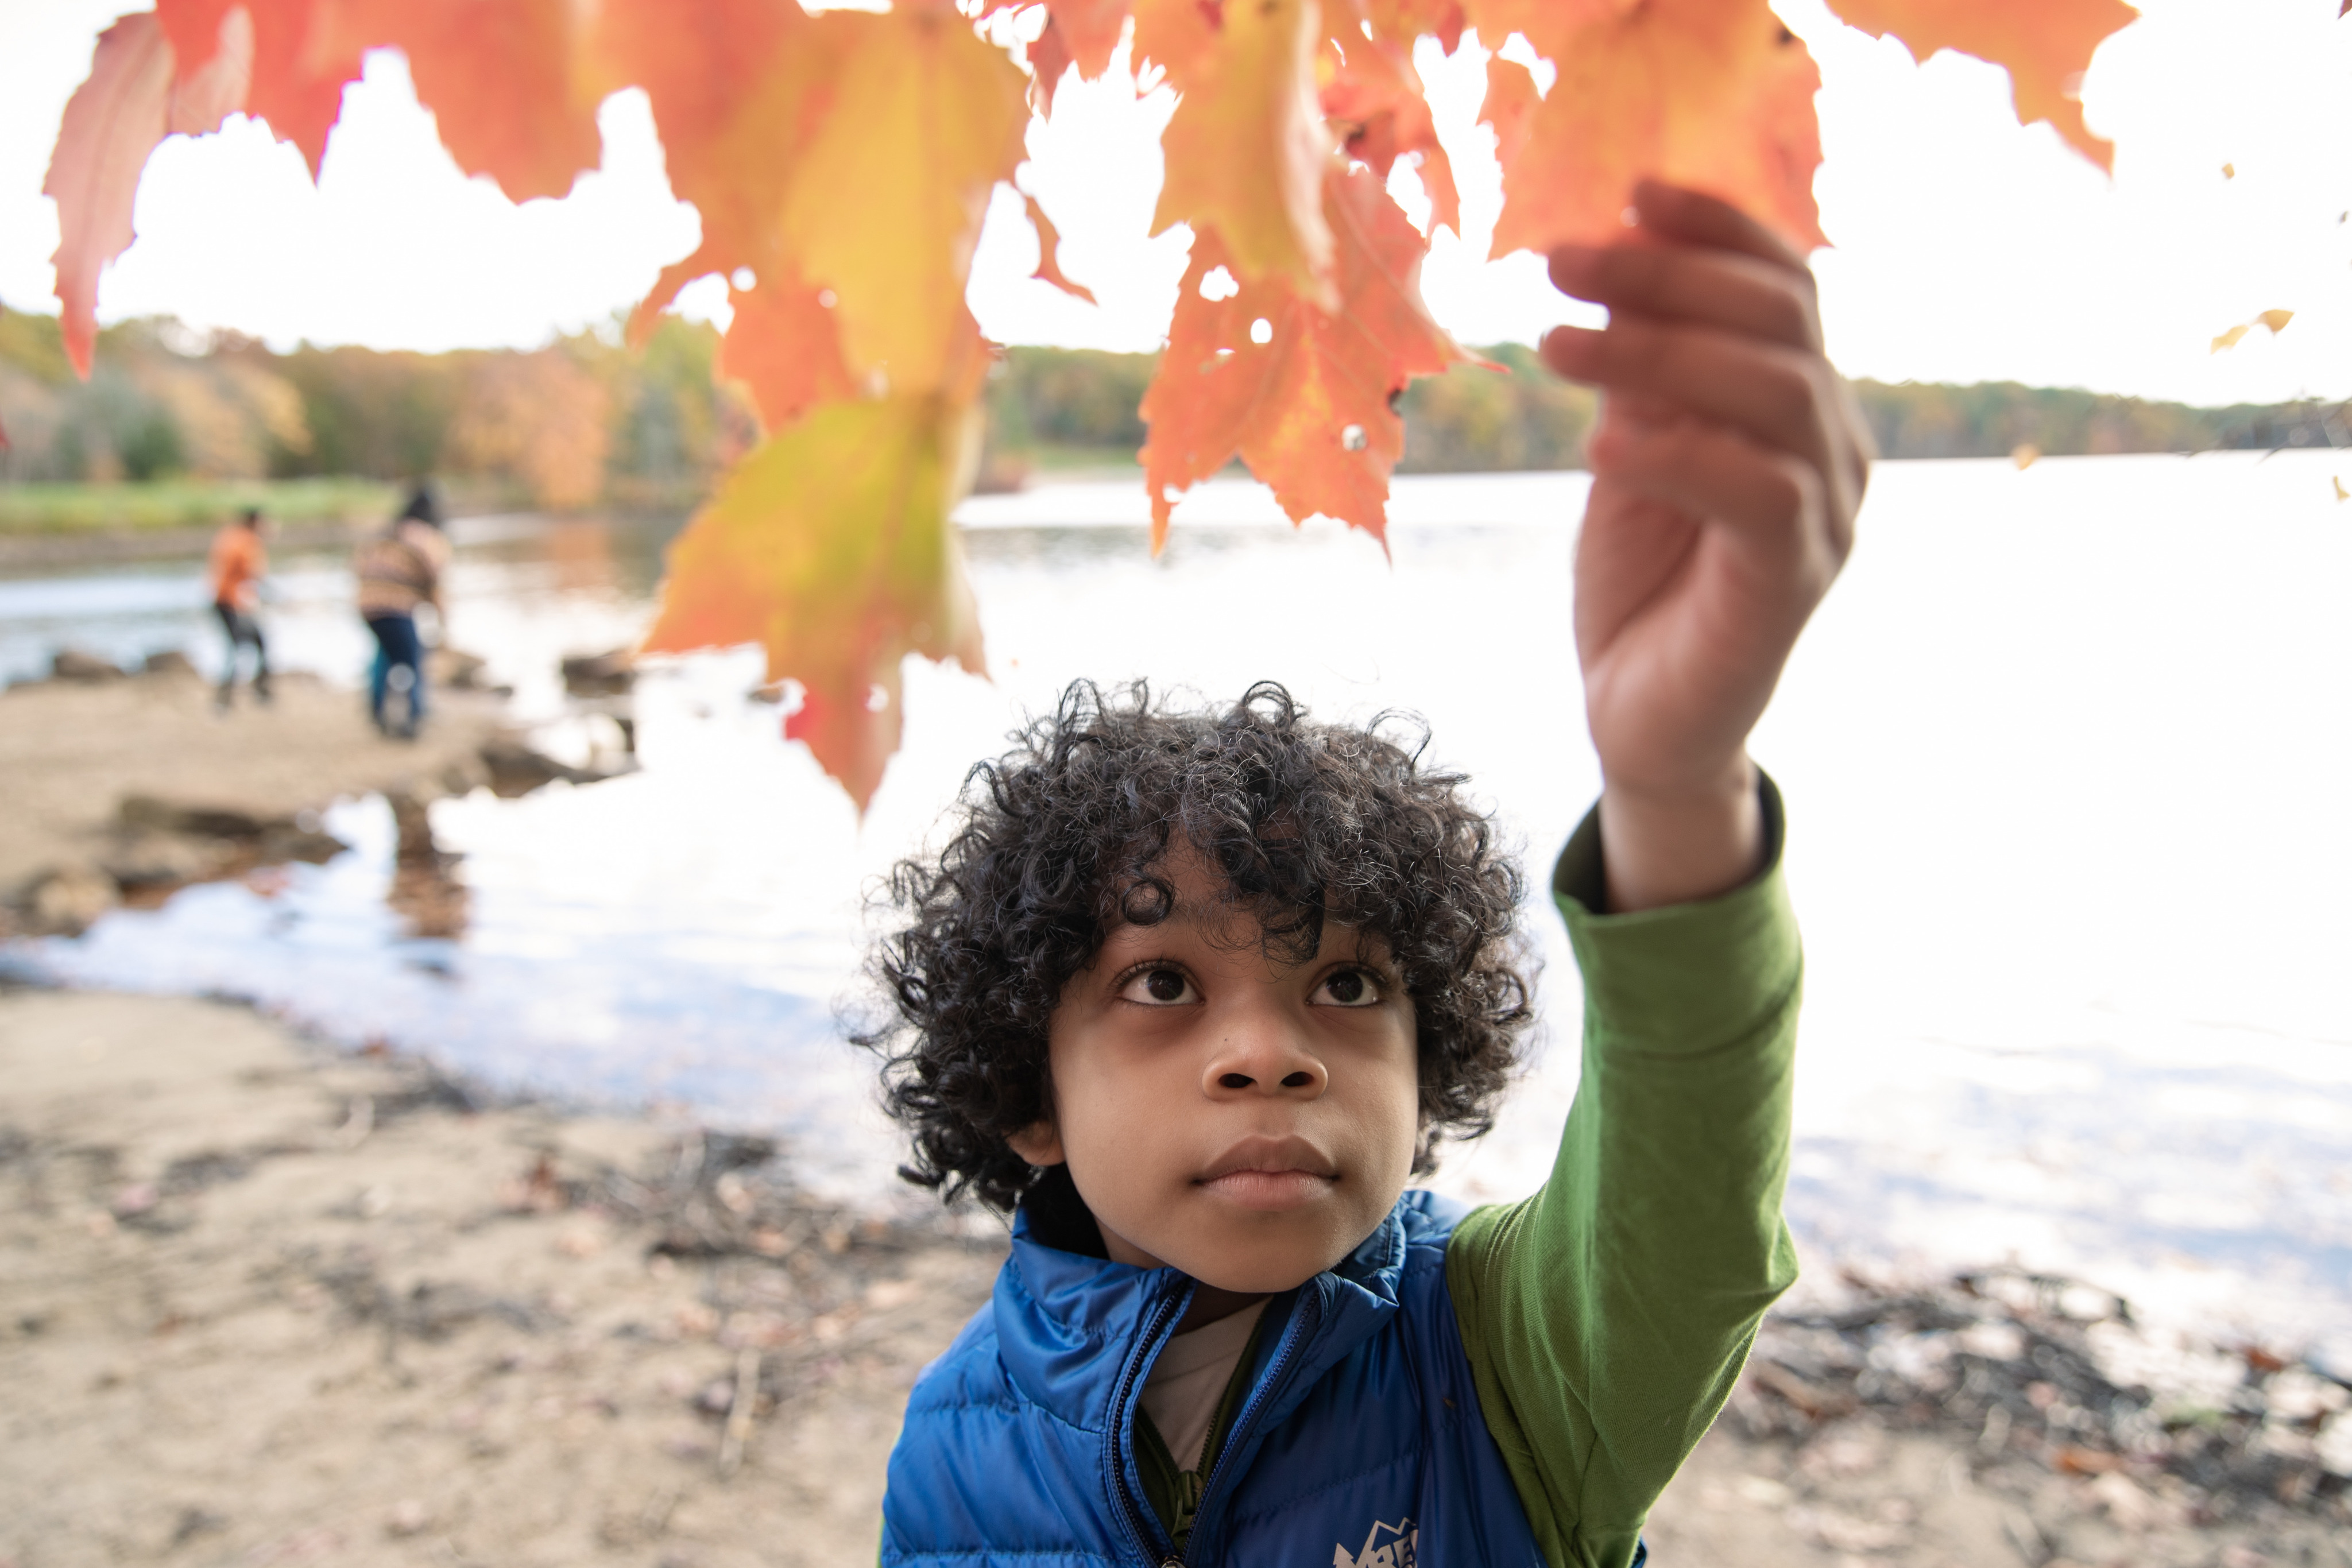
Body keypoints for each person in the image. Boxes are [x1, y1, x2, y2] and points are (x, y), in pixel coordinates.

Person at [858, 181, 1870, 1566]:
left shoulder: (1508, 1361)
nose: (1269, 1055)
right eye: (1161, 981)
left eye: (1346, 981)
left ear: (1426, 1055)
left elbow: (1681, 1213)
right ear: (1029, 1094)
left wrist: (1677, 783)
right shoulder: (953, 1452)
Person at [355, 485, 450, 740]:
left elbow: (358, 564)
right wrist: (443, 622)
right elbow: (435, 583)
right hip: (396, 607)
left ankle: (377, 711)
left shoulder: (387, 531)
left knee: (385, 655)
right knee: (414, 660)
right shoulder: (426, 538)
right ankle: (414, 717)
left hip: (367, 604)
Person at [206, 506, 270, 708]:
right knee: (245, 646)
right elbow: (253, 572)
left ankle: (250, 693)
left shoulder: (228, 536)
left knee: (247, 645)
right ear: (255, 522)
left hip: (222, 599)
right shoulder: (246, 541)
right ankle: (232, 697)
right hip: (231, 602)